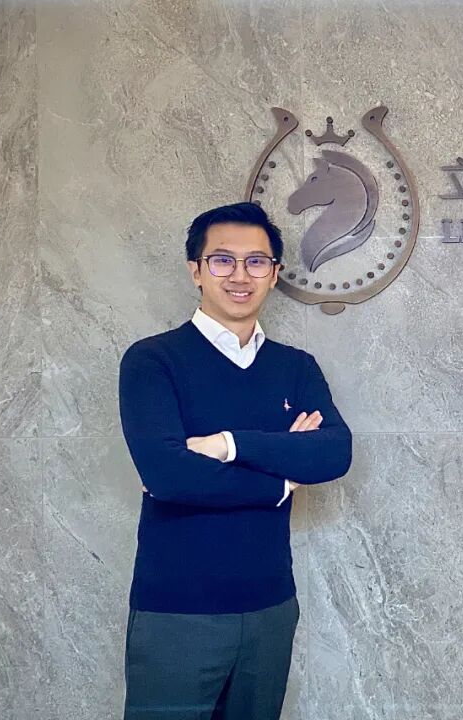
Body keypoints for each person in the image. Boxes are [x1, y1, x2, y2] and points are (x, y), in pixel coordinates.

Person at [118, 202, 352, 719]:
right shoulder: (153, 361)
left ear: (274, 274)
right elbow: (168, 475)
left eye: (256, 262)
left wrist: (228, 445)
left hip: (271, 608)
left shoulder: (296, 367)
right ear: (196, 271)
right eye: (222, 260)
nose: (240, 275)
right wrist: (281, 482)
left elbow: (334, 453)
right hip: (178, 612)